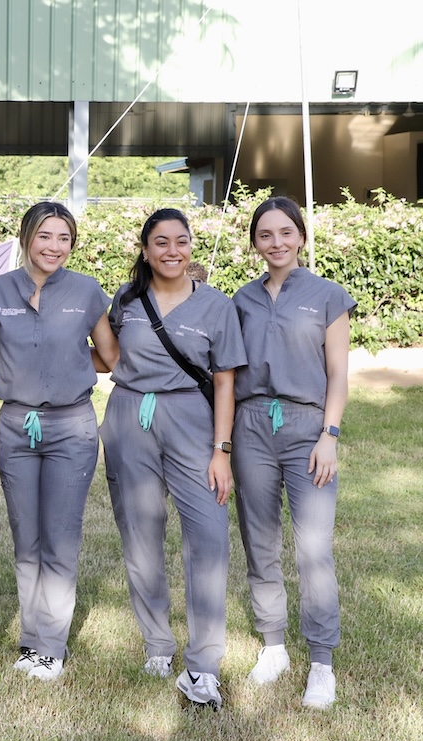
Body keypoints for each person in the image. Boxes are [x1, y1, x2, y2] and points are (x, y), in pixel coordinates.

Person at [99, 208, 245, 710]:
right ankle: (158, 645)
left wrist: (221, 450)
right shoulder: (127, 298)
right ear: (145, 250)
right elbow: (108, 355)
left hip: (192, 421)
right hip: (128, 418)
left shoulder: (216, 306)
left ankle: (203, 664)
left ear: (190, 247)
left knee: (208, 536)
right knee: (140, 533)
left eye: (181, 241)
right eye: (160, 242)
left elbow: (225, 379)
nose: (172, 251)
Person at [0, 201, 118, 682]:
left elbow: (109, 356)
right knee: (26, 538)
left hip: (71, 427)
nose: (54, 247)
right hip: (17, 427)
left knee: (60, 538)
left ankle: (50, 647)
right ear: (26, 238)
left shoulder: (85, 292)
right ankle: (29, 639)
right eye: (45, 236)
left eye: (64, 238)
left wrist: (65, 367)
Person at [231, 197, 354, 710]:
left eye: (285, 232)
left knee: (313, 549)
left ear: (301, 236)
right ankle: (274, 646)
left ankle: (321, 662)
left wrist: (330, 434)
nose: (276, 242)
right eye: (265, 234)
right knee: (260, 542)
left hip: (307, 427)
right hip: (251, 426)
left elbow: (339, 375)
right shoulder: (241, 298)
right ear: (256, 242)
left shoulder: (328, 296)